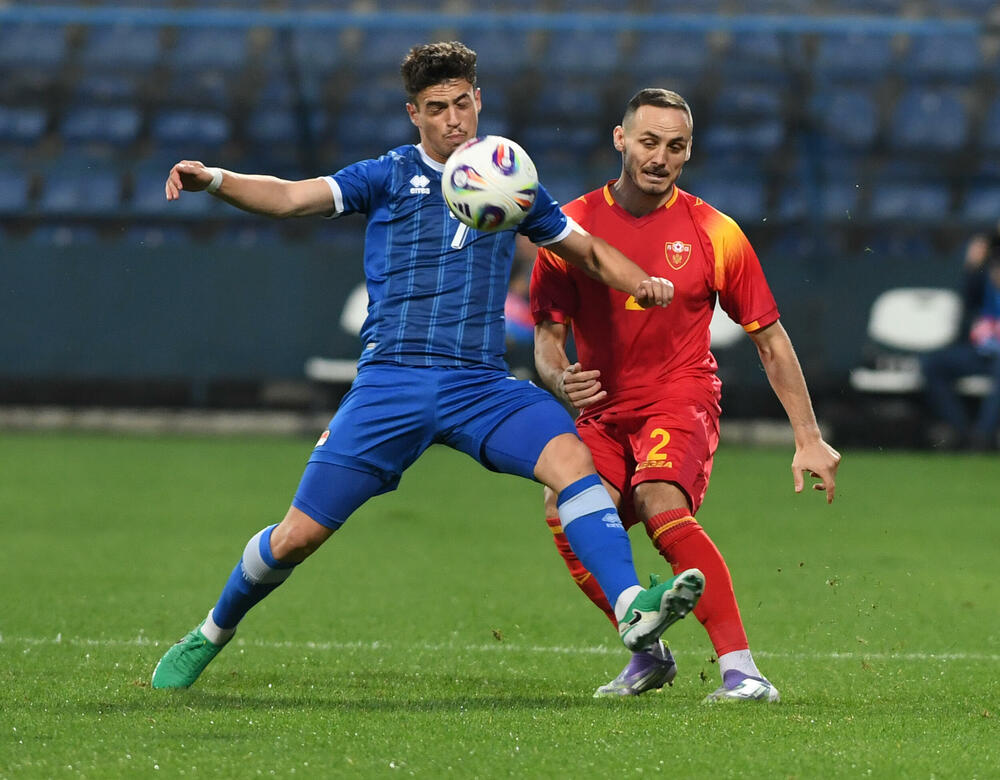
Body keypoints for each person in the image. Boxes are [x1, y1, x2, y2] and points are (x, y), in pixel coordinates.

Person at [150, 43, 705, 690]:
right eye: (437, 108)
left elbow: (587, 251)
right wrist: (216, 179)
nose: (453, 119)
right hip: (392, 383)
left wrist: (643, 283)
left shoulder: (510, 178)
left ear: (479, 101)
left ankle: (631, 608)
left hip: (480, 384)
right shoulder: (387, 176)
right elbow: (292, 197)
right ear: (414, 113)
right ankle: (212, 631)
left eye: (462, 103)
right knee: (296, 537)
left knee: (570, 460)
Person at [530, 88, 841, 702]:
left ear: (689, 151)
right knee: (563, 511)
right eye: (649, 142)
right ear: (620, 139)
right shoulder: (569, 229)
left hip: (681, 394)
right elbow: (547, 338)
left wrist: (808, 436)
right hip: (603, 409)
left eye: (676, 146)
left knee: (658, 499)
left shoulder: (714, 232)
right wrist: (560, 377)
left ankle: (742, 671)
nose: (660, 157)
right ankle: (648, 654)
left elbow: (770, 340)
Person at [920, 229, 1000, 450]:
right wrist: (973, 266)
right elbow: (967, 303)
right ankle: (961, 429)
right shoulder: (982, 280)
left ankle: (983, 436)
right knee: (933, 365)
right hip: (980, 352)